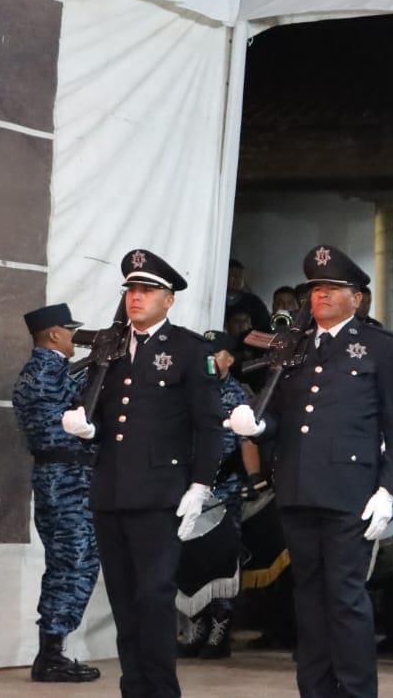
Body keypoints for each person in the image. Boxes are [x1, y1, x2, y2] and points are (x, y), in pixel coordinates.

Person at [225, 244, 393, 698]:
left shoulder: (377, 346)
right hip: (297, 486)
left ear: (358, 297)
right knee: (308, 598)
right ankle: (316, 689)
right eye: (315, 289)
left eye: (332, 288)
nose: (321, 296)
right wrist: (259, 423)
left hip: (350, 491)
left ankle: (354, 691)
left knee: (346, 598)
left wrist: (388, 490)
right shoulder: (295, 347)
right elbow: (286, 415)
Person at [61, 249, 224, 698]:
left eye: (147, 290)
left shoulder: (189, 350)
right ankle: (134, 689)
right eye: (131, 290)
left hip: (160, 494)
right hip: (111, 492)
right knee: (125, 601)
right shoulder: (109, 349)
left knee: (153, 597)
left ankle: (161, 690)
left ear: (168, 300)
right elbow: (108, 418)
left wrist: (200, 484)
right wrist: (86, 429)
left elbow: (207, 425)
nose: (136, 298)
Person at [12, 303, 101, 683]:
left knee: (66, 562)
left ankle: (51, 651)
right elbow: (88, 407)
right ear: (53, 335)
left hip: (55, 475)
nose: (73, 340)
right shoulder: (50, 370)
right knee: (75, 563)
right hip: (68, 477)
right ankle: (50, 655)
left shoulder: (37, 372)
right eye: (69, 333)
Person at [175, 331, 250, 661]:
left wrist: (256, 478)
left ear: (230, 359)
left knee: (220, 561)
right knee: (190, 559)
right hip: (190, 490)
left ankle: (220, 629)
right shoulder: (191, 389)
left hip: (224, 489)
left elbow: (247, 442)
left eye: (216, 354)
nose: (209, 360)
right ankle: (197, 626)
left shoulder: (237, 394)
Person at [227, 258, 271, 332]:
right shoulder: (218, 299)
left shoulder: (254, 301)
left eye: (240, 276)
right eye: (233, 275)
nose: (238, 279)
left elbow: (265, 324)